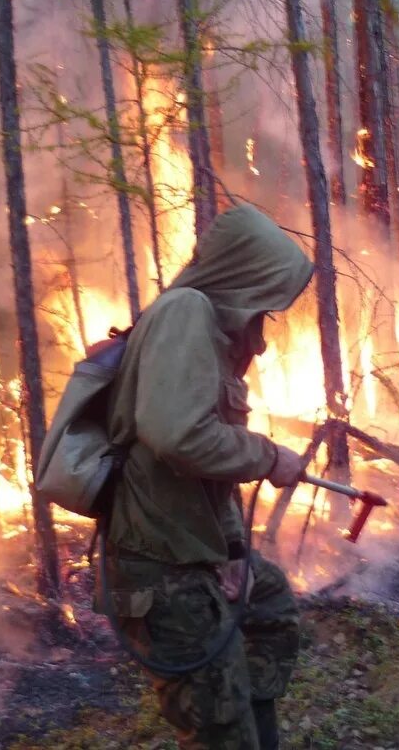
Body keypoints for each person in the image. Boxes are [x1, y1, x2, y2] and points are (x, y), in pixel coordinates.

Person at [102, 204, 310, 749]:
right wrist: (266, 457)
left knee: (268, 603)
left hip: (195, 550)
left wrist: (236, 550)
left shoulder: (204, 329)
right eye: (264, 303)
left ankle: (246, 715)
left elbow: (203, 472)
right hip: (161, 566)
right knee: (219, 728)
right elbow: (178, 436)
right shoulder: (185, 312)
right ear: (243, 277)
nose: (262, 335)